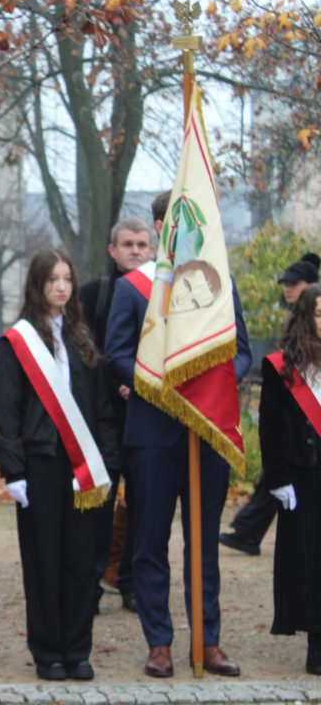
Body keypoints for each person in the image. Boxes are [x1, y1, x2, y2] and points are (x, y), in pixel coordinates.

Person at [103, 191, 251, 679]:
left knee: (203, 543)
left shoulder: (218, 281)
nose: (182, 228)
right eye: (172, 221)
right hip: (153, 433)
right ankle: (159, 643)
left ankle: (207, 641)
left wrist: (214, 386)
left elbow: (241, 352)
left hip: (206, 431)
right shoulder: (134, 288)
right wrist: (159, 387)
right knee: (149, 541)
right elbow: (116, 355)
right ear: (159, 226)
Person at [0, 249, 117, 681]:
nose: (61, 287)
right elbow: (4, 414)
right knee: (43, 562)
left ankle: (78, 651)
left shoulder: (82, 339)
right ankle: (48, 653)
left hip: (83, 468)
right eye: (52, 279)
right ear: (37, 285)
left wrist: (107, 460)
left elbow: (102, 409)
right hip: (39, 467)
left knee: (81, 563)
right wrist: (13, 470)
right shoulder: (16, 344)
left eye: (67, 279)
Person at [221, 251, 320, 557]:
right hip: (295, 452)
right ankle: (248, 529)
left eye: (294, 284)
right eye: (285, 284)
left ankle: (248, 529)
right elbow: (272, 425)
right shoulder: (289, 341)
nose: (287, 289)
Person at [78, 218, 154, 615]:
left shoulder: (164, 294)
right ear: (112, 250)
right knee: (99, 504)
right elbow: (83, 352)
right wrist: (118, 382)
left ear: (153, 250)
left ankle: (132, 583)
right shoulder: (93, 294)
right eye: (128, 244)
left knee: (143, 504)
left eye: (142, 244)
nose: (136, 251)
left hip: (148, 415)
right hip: (103, 417)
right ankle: (90, 584)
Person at [258, 284, 321, 675]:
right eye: (320, 313)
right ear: (305, 317)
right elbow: (271, 427)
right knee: (310, 560)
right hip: (304, 476)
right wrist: (278, 477)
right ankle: (317, 643)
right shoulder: (283, 366)